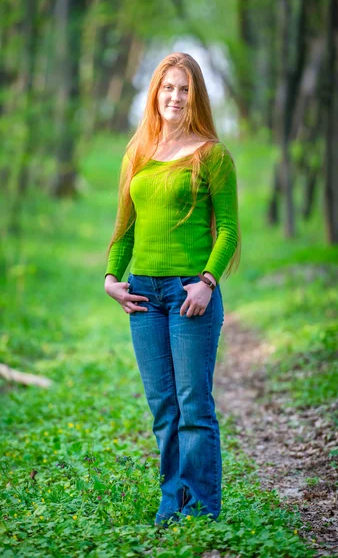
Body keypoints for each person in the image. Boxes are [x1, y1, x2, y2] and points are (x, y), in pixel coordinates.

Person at [104, 52, 241, 526]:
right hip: (143, 297)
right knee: (164, 408)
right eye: (168, 88)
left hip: (190, 294)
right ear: (155, 93)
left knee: (194, 406)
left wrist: (207, 282)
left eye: (184, 89)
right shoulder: (137, 153)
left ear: (196, 96)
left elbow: (228, 230)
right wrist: (110, 280)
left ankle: (201, 510)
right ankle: (172, 502)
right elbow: (125, 229)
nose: (175, 97)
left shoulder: (213, 155)